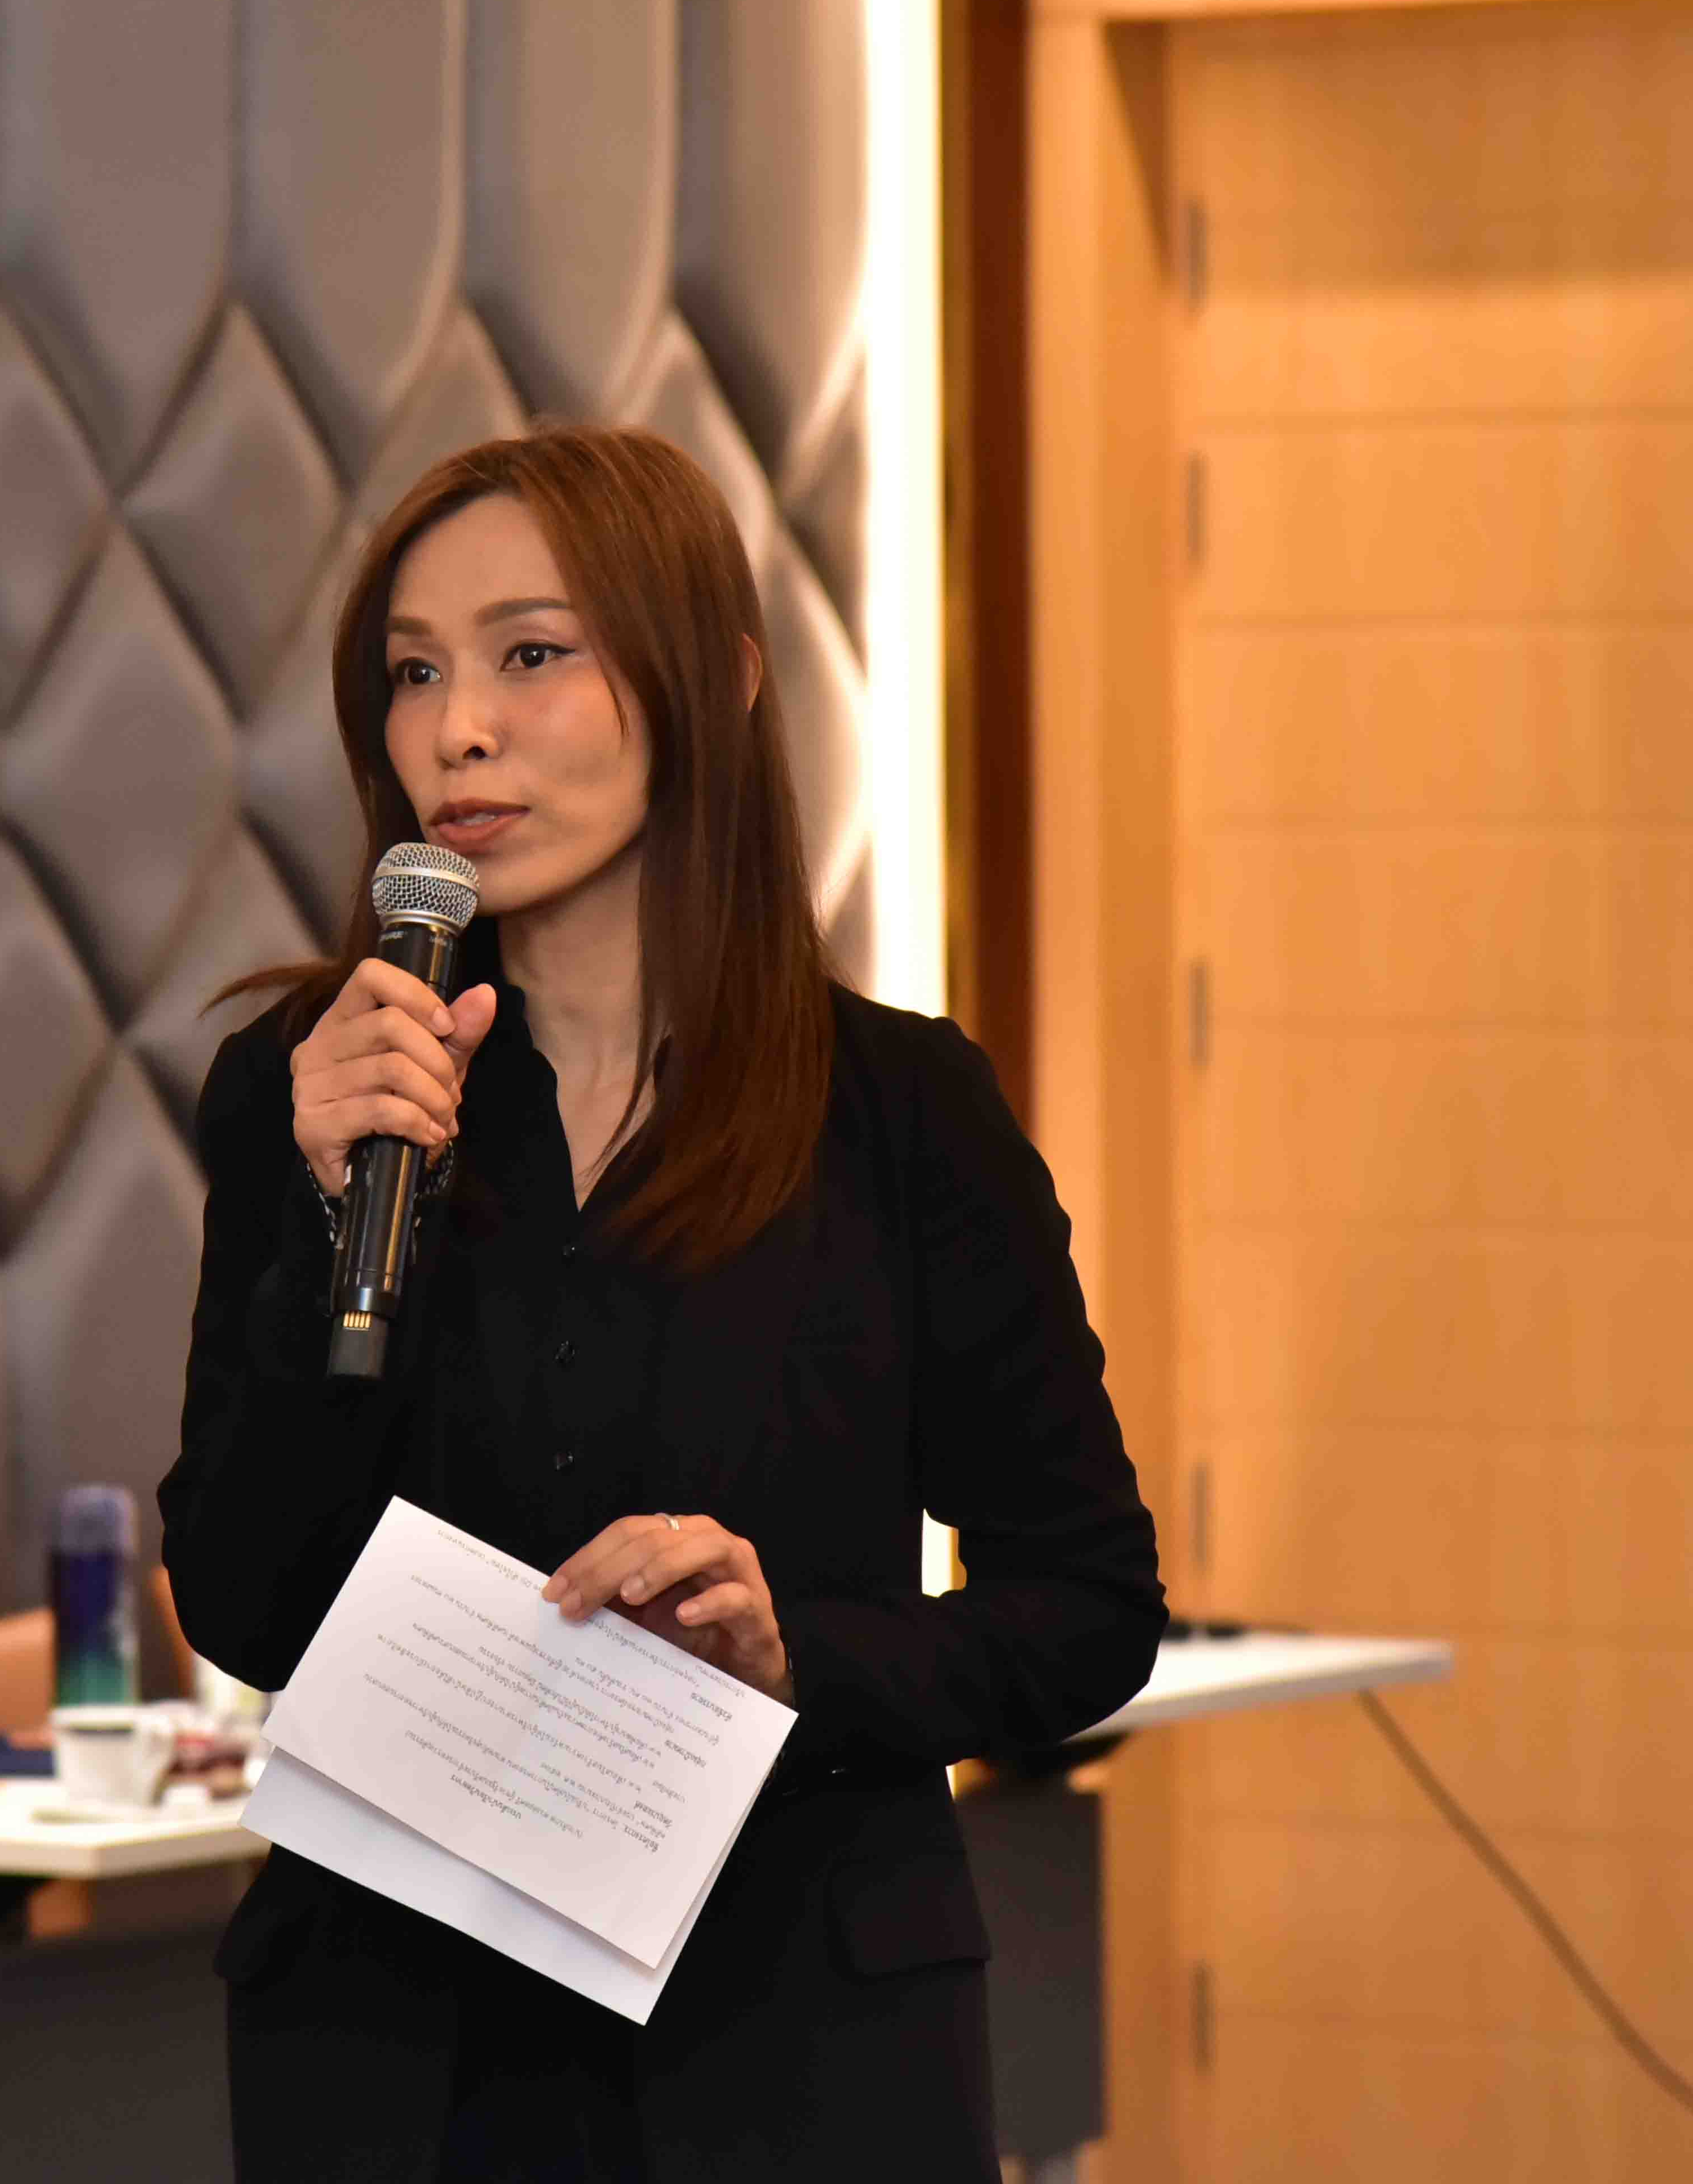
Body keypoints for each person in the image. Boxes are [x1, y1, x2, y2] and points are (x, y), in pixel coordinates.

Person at [160, 423, 1165, 2182]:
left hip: (795, 2060)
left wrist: (798, 1654)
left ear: (718, 685)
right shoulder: (307, 1088)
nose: (456, 732)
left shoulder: (901, 1115)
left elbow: (1087, 1610)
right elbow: (248, 1600)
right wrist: (326, 1212)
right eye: (414, 672)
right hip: (397, 2070)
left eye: (530, 655)